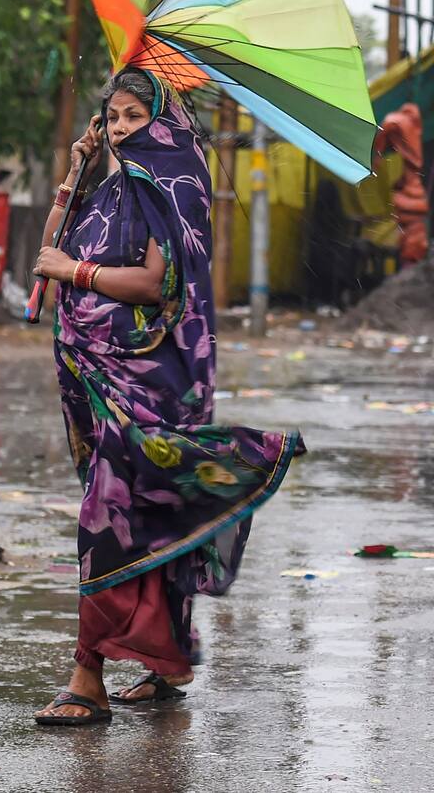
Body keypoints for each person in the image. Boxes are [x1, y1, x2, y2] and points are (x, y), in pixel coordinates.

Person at [33, 67, 304, 726]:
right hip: (100, 375)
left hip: (150, 380)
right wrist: (77, 169)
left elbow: (156, 284)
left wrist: (76, 272)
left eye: (133, 115)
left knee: (111, 514)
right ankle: (163, 662)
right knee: (153, 514)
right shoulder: (115, 184)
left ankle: (87, 677)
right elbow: (48, 251)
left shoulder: (172, 183)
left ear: (161, 119)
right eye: (114, 116)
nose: (122, 127)